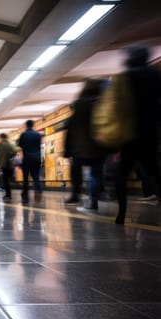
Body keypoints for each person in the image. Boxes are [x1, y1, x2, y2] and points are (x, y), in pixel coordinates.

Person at [113, 45, 161, 224]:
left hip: (130, 132)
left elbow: (116, 106)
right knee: (155, 170)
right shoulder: (155, 75)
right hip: (150, 132)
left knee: (122, 175)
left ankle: (121, 214)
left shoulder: (125, 77)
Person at [63, 78, 109, 211]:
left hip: (81, 146)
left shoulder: (79, 105)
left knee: (76, 171)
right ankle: (94, 202)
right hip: (99, 145)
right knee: (96, 174)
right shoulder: (102, 103)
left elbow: (70, 128)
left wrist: (67, 148)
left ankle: (75, 194)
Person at [18, 120, 42, 203]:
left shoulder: (23, 135)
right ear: (33, 125)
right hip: (37, 159)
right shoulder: (38, 135)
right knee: (36, 177)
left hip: (27, 159)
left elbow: (20, 145)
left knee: (26, 178)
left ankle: (25, 197)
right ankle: (38, 193)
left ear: (26, 126)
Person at [0, 133, 18, 200]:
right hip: (10, 164)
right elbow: (14, 152)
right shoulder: (10, 144)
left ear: (1, 137)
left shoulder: (0, 144)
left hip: (3, 164)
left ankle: (8, 194)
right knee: (8, 179)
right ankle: (9, 193)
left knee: (5, 180)